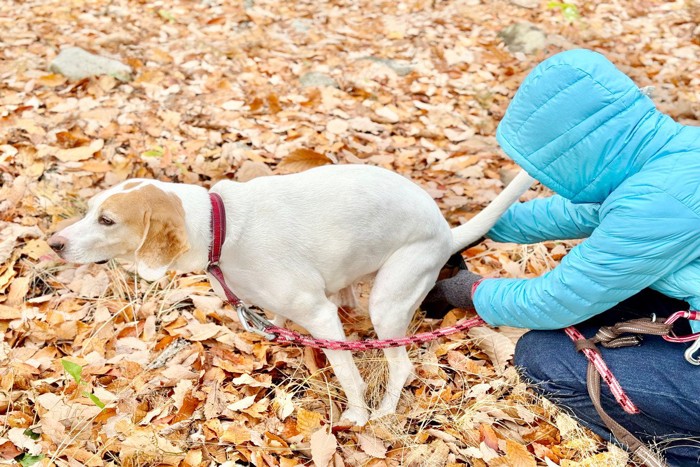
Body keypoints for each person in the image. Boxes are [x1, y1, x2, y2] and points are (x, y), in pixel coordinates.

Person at [423, 49, 700, 466]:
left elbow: (556, 300)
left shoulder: (658, 201)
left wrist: (466, 291)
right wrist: (474, 228)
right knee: (598, 317)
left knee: (544, 358)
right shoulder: (675, 154)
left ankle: (681, 453)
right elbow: (578, 212)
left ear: (576, 154)